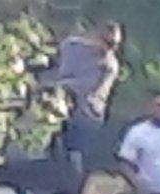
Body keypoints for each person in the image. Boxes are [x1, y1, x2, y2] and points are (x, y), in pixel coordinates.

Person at [51, 18, 121, 166]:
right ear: (95, 37)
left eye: (115, 45)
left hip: (87, 115)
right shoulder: (71, 46)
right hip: (58, 106)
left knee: (76, 156)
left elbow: (87, 86)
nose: (110, 48)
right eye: (107, 42)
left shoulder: (109, 66)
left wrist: (60, 84)